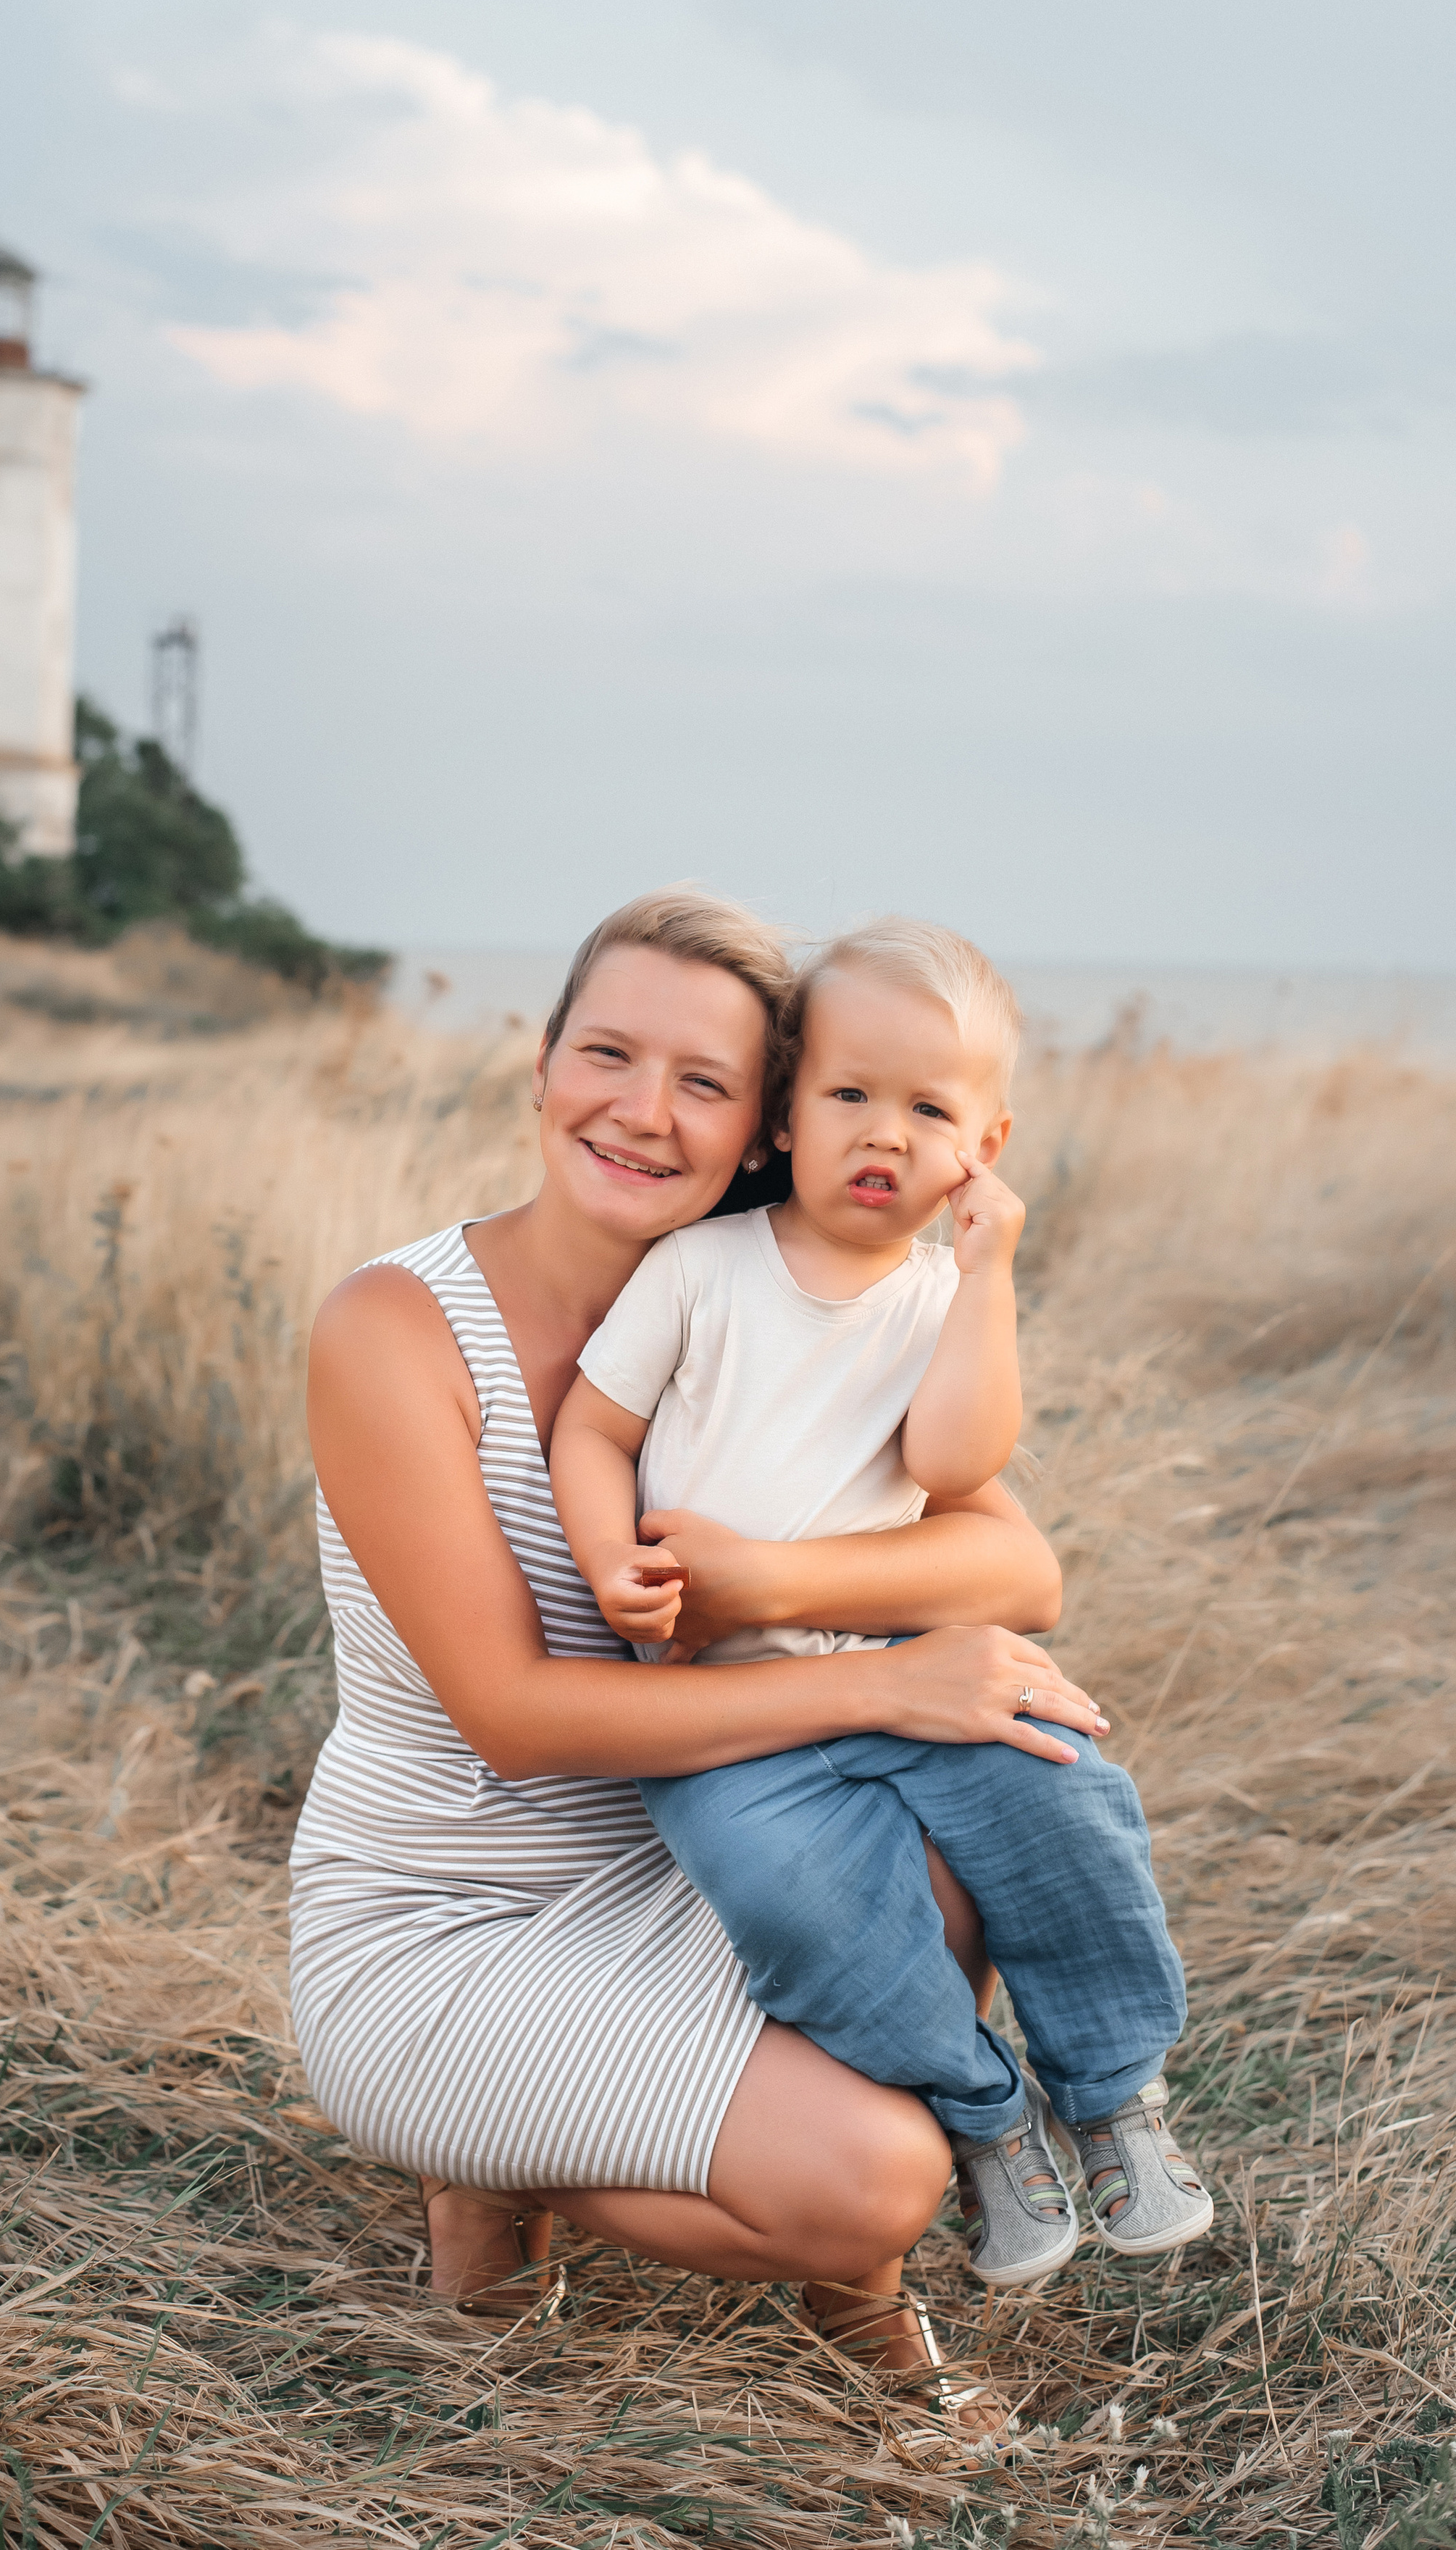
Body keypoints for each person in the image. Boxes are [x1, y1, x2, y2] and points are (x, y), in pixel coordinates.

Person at [292, 889, 1099, 2430]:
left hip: (690, 1877)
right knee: (880, 2178)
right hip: (446, 1921)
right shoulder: (397, 1330)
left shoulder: (775, 1297)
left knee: (978, 1792)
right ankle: (479, 2164)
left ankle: (847, 2310)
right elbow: (517, 1722)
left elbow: (1017, 1566)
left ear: (765, 1132)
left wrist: (777, 1582)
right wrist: (878, 1674)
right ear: (540, 1068)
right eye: (606, 1052)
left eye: (706, 1084)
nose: (642, 1114)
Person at [550, 918, 1212, 2291]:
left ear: (988, 1141)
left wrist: (989, 1276)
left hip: (906, 1661)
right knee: (808, 1903)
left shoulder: (938, 1299)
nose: (884, 1132)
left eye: (930, 1109)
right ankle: (984, 2113)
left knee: (1065, 1799)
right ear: (786, 1109)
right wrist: (612, 1558)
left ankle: (1113, 2094)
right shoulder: (702, 1271)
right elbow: (594, 1430)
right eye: (850, 1092)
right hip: (722, 1709)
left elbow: (958, 1464)